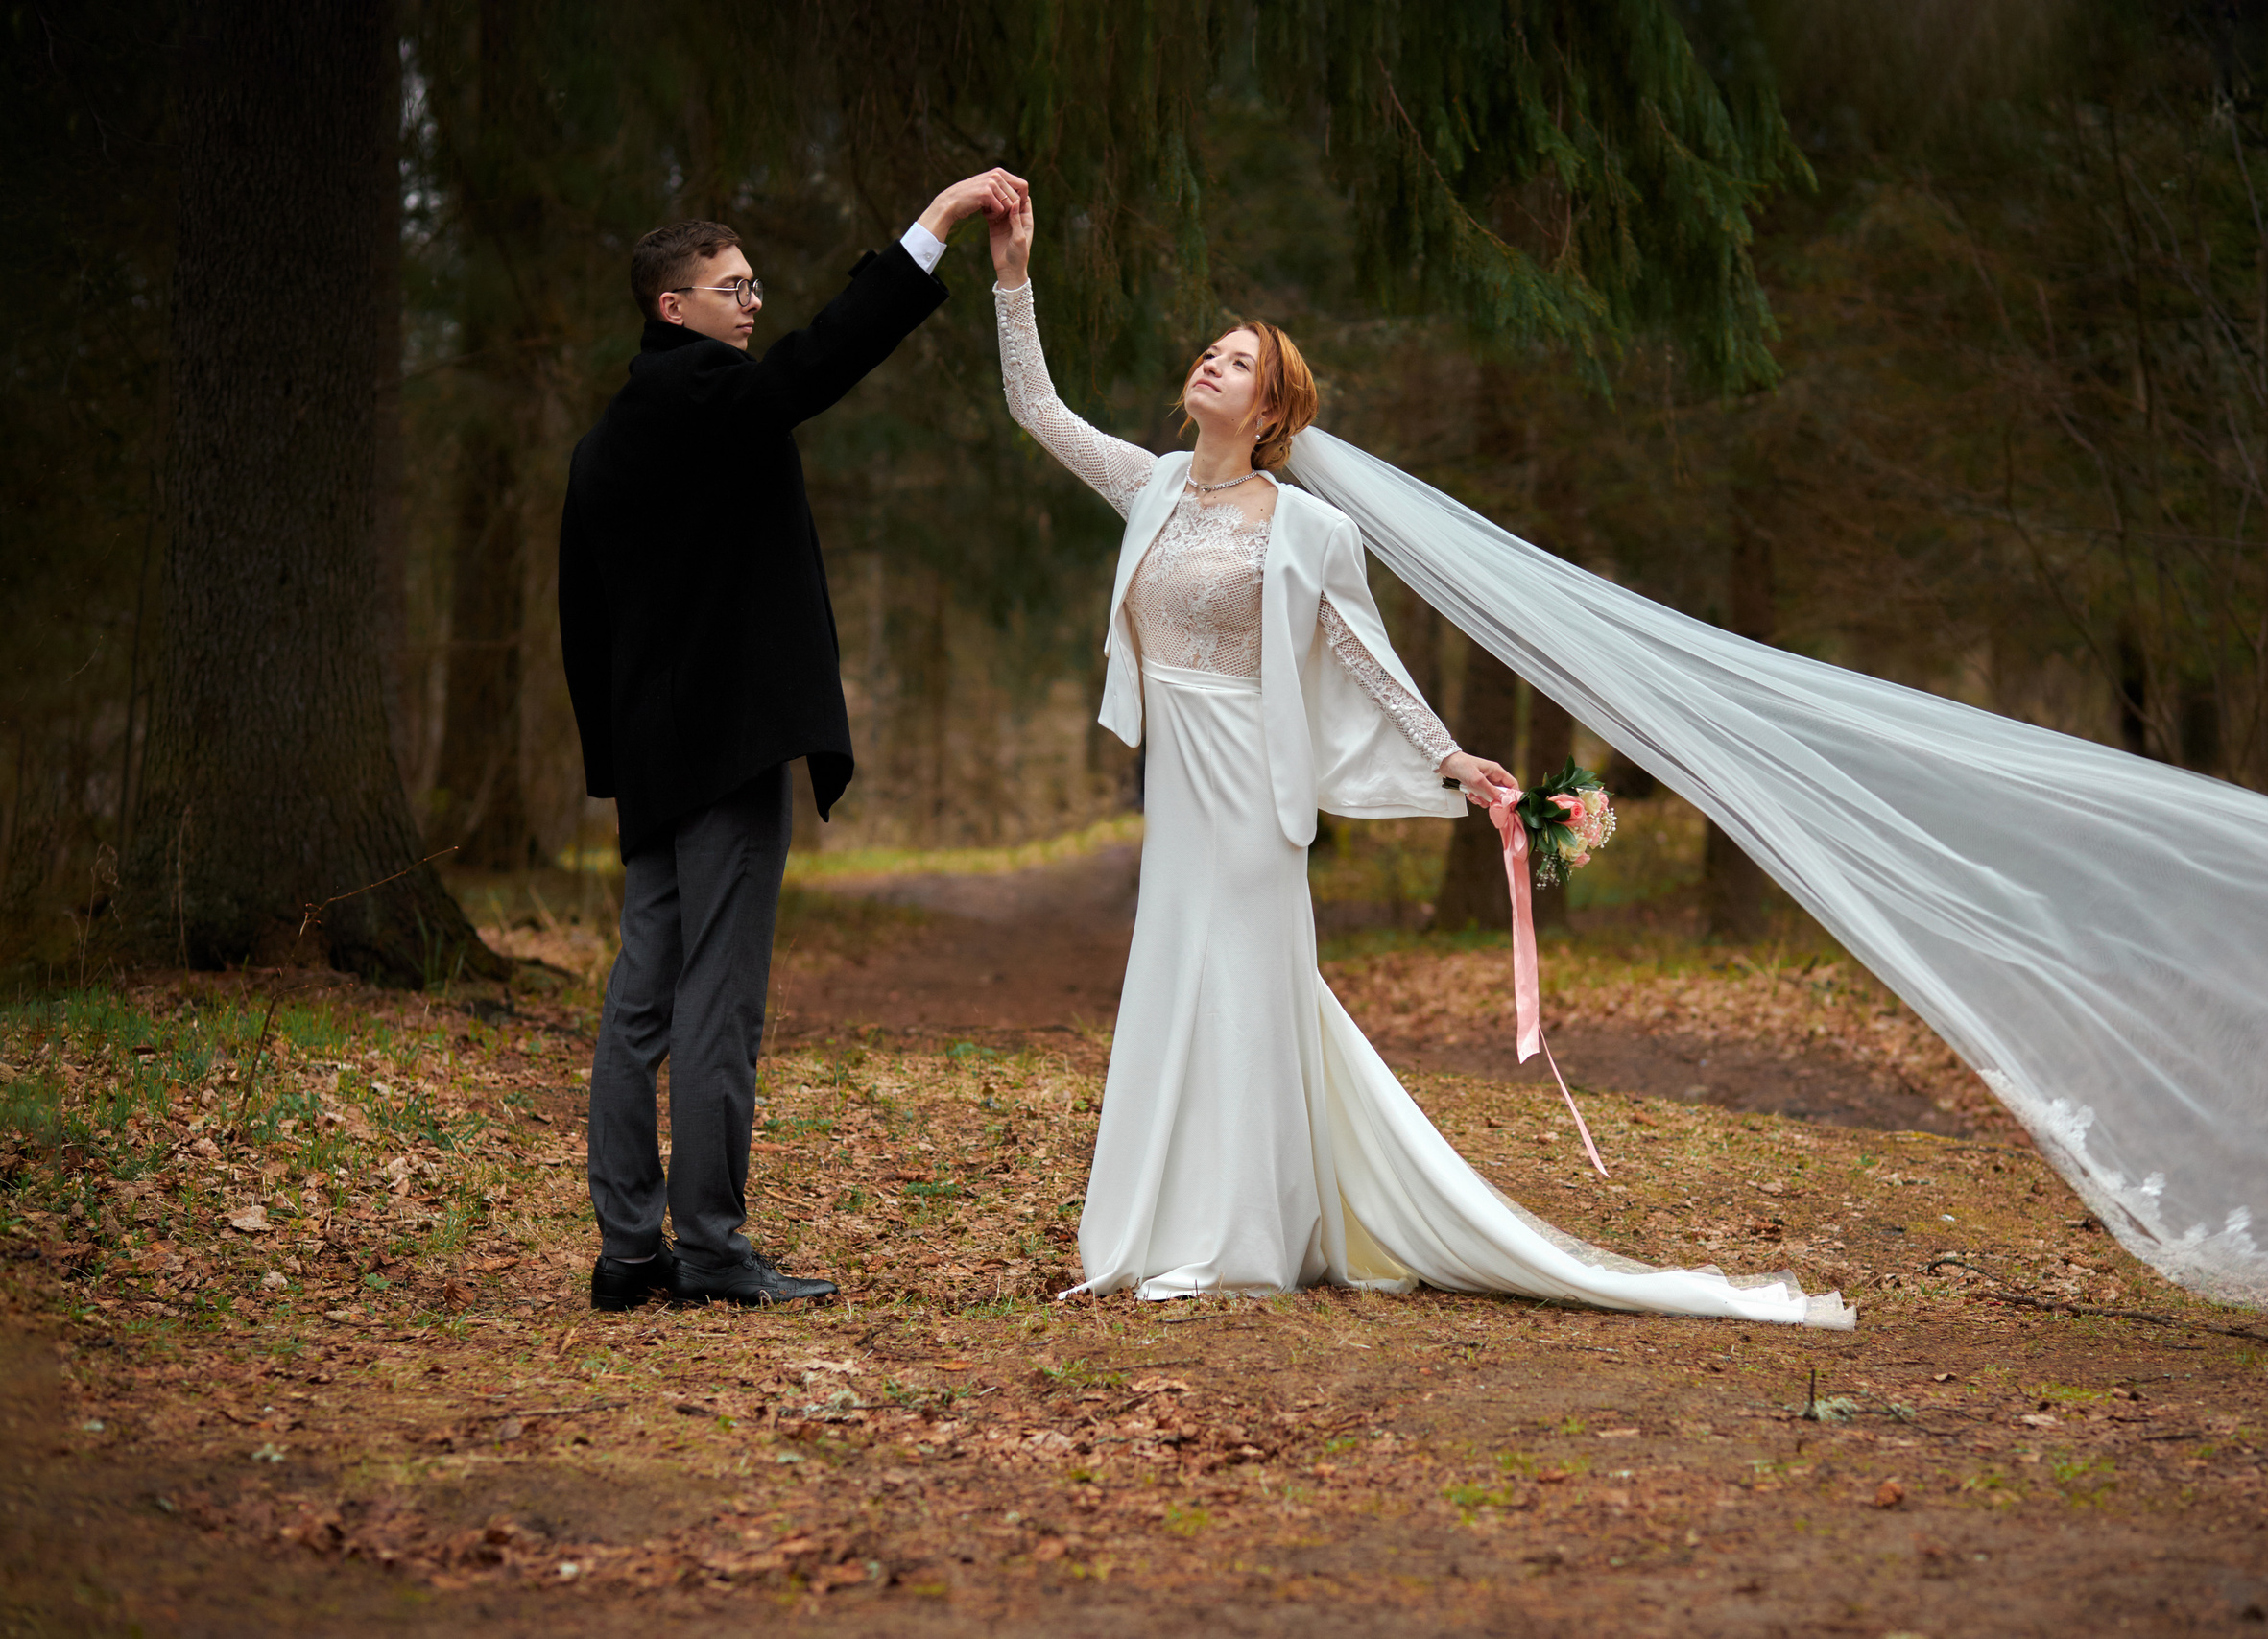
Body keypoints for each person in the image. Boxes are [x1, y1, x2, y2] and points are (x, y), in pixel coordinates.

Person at [986, 195, 1851, 1326]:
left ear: (1271, 406)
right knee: (1177, 983)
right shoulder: (1145, 484)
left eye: (1238, 359)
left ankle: (1239, 1235)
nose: (1212, 361)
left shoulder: (1306, 529)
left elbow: (1365, 656)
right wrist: (1014, 277)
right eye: (1210, 349)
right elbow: (1037, 407)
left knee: (1243, 986)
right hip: (1178, 791)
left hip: (1252, 797)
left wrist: (1451, 760)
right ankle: (1175, 1221)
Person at [560, 170, 1027, 1310]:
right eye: (731, 288)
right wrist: (934, 225)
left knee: (641, 1000)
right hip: (722, 755)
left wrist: (617, 769)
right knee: (718, 1002)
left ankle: (629, 1252)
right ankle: (711, 1251)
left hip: (659, 764)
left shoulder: (608, 438)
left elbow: (584, 616)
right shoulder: (708, 394)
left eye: (754, 285)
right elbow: (823, 360)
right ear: (674, 308)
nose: (752, 304)